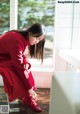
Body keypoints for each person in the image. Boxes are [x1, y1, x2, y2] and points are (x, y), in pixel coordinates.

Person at [0, 23, 46, 112]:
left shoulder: (23, 38)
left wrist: (25, 61)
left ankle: (27, 98)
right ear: (30, 32)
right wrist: (29, 89)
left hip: (6, 57)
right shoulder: (16, 39)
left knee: (24, 68)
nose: (37, 41)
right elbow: (18, 66)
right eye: (36, 38)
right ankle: (26, 96)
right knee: (15, 72)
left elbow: (20, 54)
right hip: (2, 59)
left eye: (39, 40)